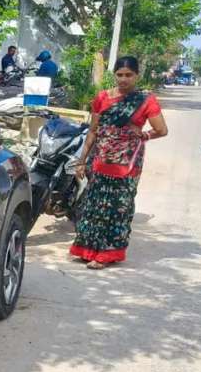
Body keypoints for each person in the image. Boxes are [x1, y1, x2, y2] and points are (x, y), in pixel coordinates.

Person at [70, 56, 168, 269]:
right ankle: (87, 250)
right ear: (114, 75)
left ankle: (107, 254)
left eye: (129, 75)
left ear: (137, 76)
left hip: (127, 164)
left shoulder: (145, 100)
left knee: (118, 208)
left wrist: (143, 136)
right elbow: (93, 131)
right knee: (94, 206)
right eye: (120, 75)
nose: (124, 79)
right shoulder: (102, 98)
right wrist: (81, 161)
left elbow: (162, 130)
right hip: (101, 160)